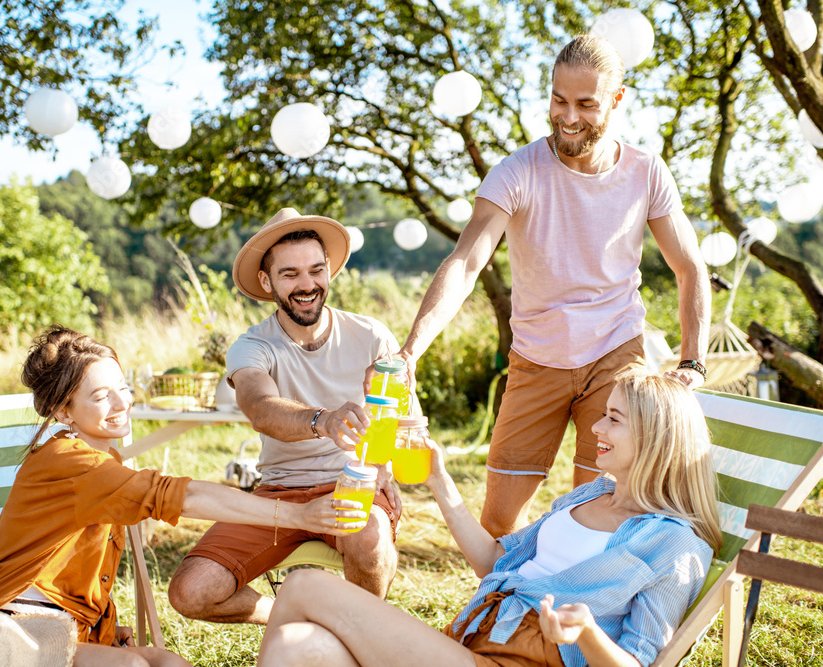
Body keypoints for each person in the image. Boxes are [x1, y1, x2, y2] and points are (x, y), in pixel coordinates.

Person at [387, 34, 711, 538]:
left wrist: (692, 361)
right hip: (537, 359)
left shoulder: (646, 172)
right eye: (559, 100)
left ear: (617, 101)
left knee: (602, 510)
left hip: (615, 355)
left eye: (586, 104)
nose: (568, 116)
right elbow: (466, 262)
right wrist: (411, 350)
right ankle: (505, 611)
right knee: (499, 519)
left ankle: (581, 615)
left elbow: (690, 268)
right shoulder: (517, 172)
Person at [0, 326, 365, 667]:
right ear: (63, 411)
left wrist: (103, 626)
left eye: (123, 387)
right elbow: (185, 496)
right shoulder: (71, 463)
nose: (121, 403)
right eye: (100, 396)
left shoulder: (103, 459)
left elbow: (74, 566)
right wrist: (299, 516)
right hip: (13, 632)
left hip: (71, 630)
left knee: (171, 664)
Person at [257, 371, 722, 667]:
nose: (597, 428)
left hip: (520, 661)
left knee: (303, 586)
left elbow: (638, 664)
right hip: (471, 643)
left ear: (654, 439)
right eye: (603, 415)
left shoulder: (674, 545)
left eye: (614, 420)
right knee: (297, 647)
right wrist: (439, 480)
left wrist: (587, 632)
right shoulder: (591, 494)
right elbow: (494, 560)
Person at [167, 208, 405, 627]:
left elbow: (398, 415)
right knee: (190, 592)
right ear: (266, 281)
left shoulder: (371, 335)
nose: (307, 285)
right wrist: (323, 420)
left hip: (354, 483)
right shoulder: (253, 345)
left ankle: (360, 636)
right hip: (278, 494)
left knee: (368, 531)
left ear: (329, 270)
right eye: (290, 274)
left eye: (316, 270)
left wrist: (385, 465)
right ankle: (297, 616)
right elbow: (260, 408)